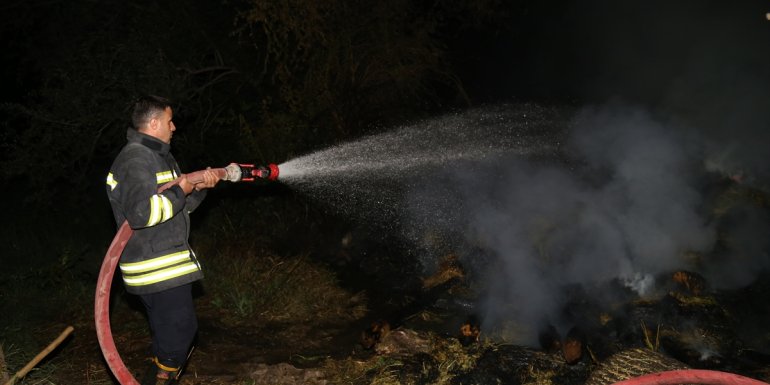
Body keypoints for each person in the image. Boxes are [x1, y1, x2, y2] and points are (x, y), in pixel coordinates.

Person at [105, 95, 220, 385]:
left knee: (169, 333)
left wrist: (199, 188)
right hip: (155, 265)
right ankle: (160, 379)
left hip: (165, 261)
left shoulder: (159, 156)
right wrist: (181, 189)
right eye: (169, 121)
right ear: (154, 123)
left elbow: (179, 206)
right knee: (181, 330)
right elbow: (143, 214)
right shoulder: (135, 159)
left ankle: (157, 376)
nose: (174, 127)